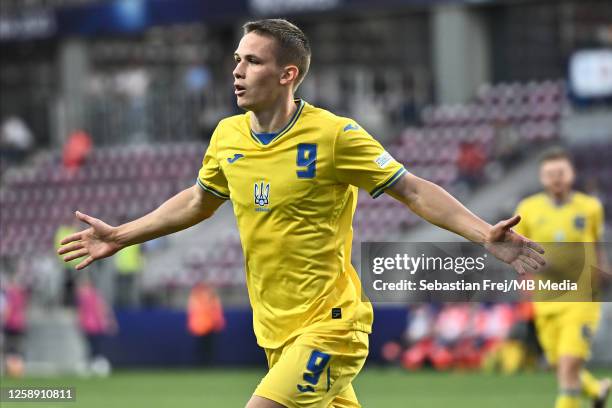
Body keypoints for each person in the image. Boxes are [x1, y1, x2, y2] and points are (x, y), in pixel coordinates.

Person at [58, 19, 546, 408]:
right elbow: (196, 201)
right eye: (237, 60)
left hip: (332, 325)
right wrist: (122, 235)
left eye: (252, 61)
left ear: (287, 73)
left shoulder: (335, 136)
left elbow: (413, 190)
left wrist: (485, 234)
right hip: (275, 332)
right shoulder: (227, 136)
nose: (237, 71)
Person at [513, 147, 611, 408]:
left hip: (581, 299)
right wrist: (525, 282)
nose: (556, 178)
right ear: (542, 178)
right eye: (549, 174)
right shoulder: (527, 209)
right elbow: (519, 252)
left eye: (561, 172)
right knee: (560, 364)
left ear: (572, 174)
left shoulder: (590, 207)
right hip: (545, 299)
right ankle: (597, 389)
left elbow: (597, 243)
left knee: (567, 369)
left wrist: (603, 270)